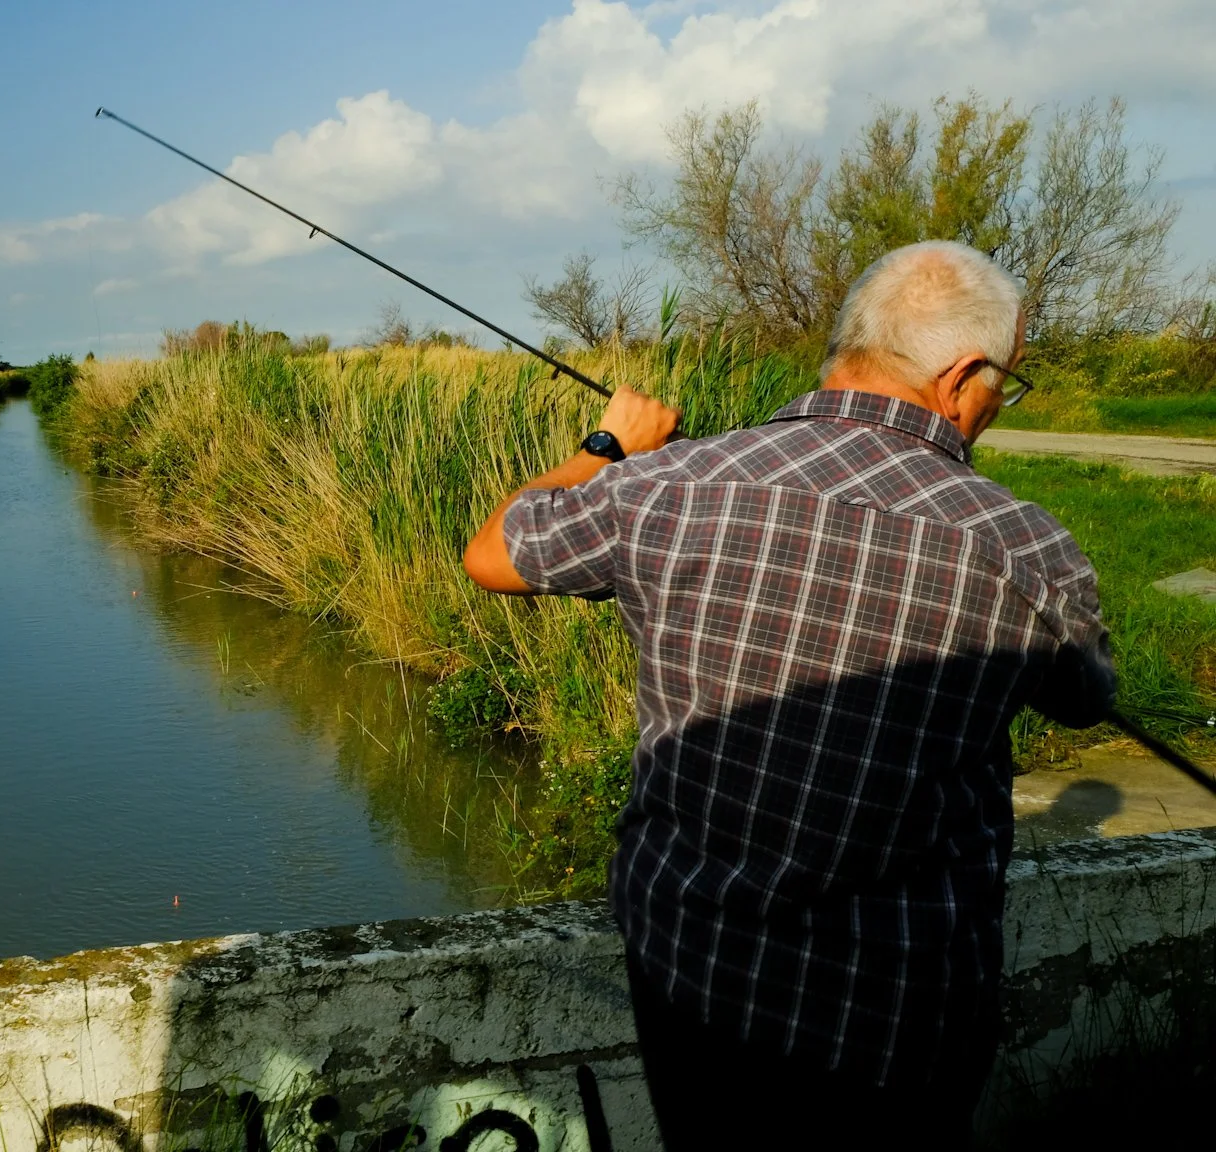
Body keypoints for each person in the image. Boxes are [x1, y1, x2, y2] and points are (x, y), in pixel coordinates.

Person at [462, 240, 1114, 1151]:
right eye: (1007, 380)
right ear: (963, 375)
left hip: (690, 974)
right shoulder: (1028, 547)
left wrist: (608, 446)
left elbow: (492, 552)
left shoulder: (667, 487)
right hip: (898, 1021)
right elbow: (1087, 698)